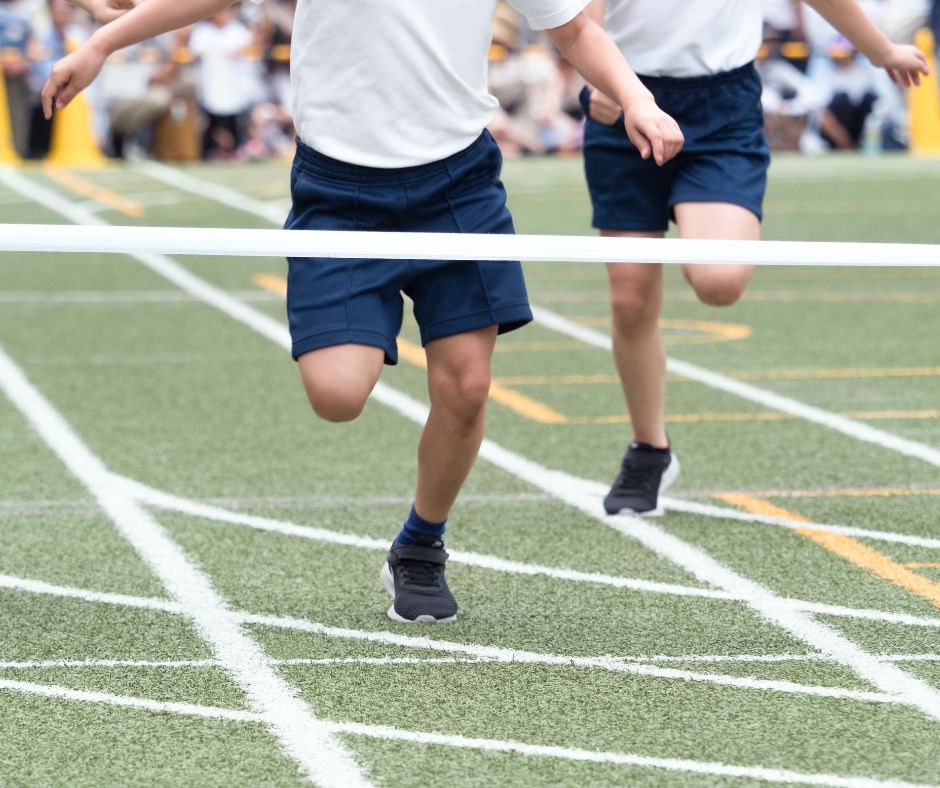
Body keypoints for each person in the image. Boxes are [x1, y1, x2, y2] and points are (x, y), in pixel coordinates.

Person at [44, 0, 683, 623]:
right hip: (337, 187)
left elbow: (574, 31)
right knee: (336, 395)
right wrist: (101, 44)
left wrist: (638, 99)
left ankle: (420, 545)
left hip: (458, 184)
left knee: (467, 385)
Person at [581, 0, 928, 517]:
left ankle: (692, 206)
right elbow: (576, 16)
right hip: (626, 101)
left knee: (719, 281)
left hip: (722, 105)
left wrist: (880, 49)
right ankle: (649, 449)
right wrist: (602, 84)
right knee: (630, 299)